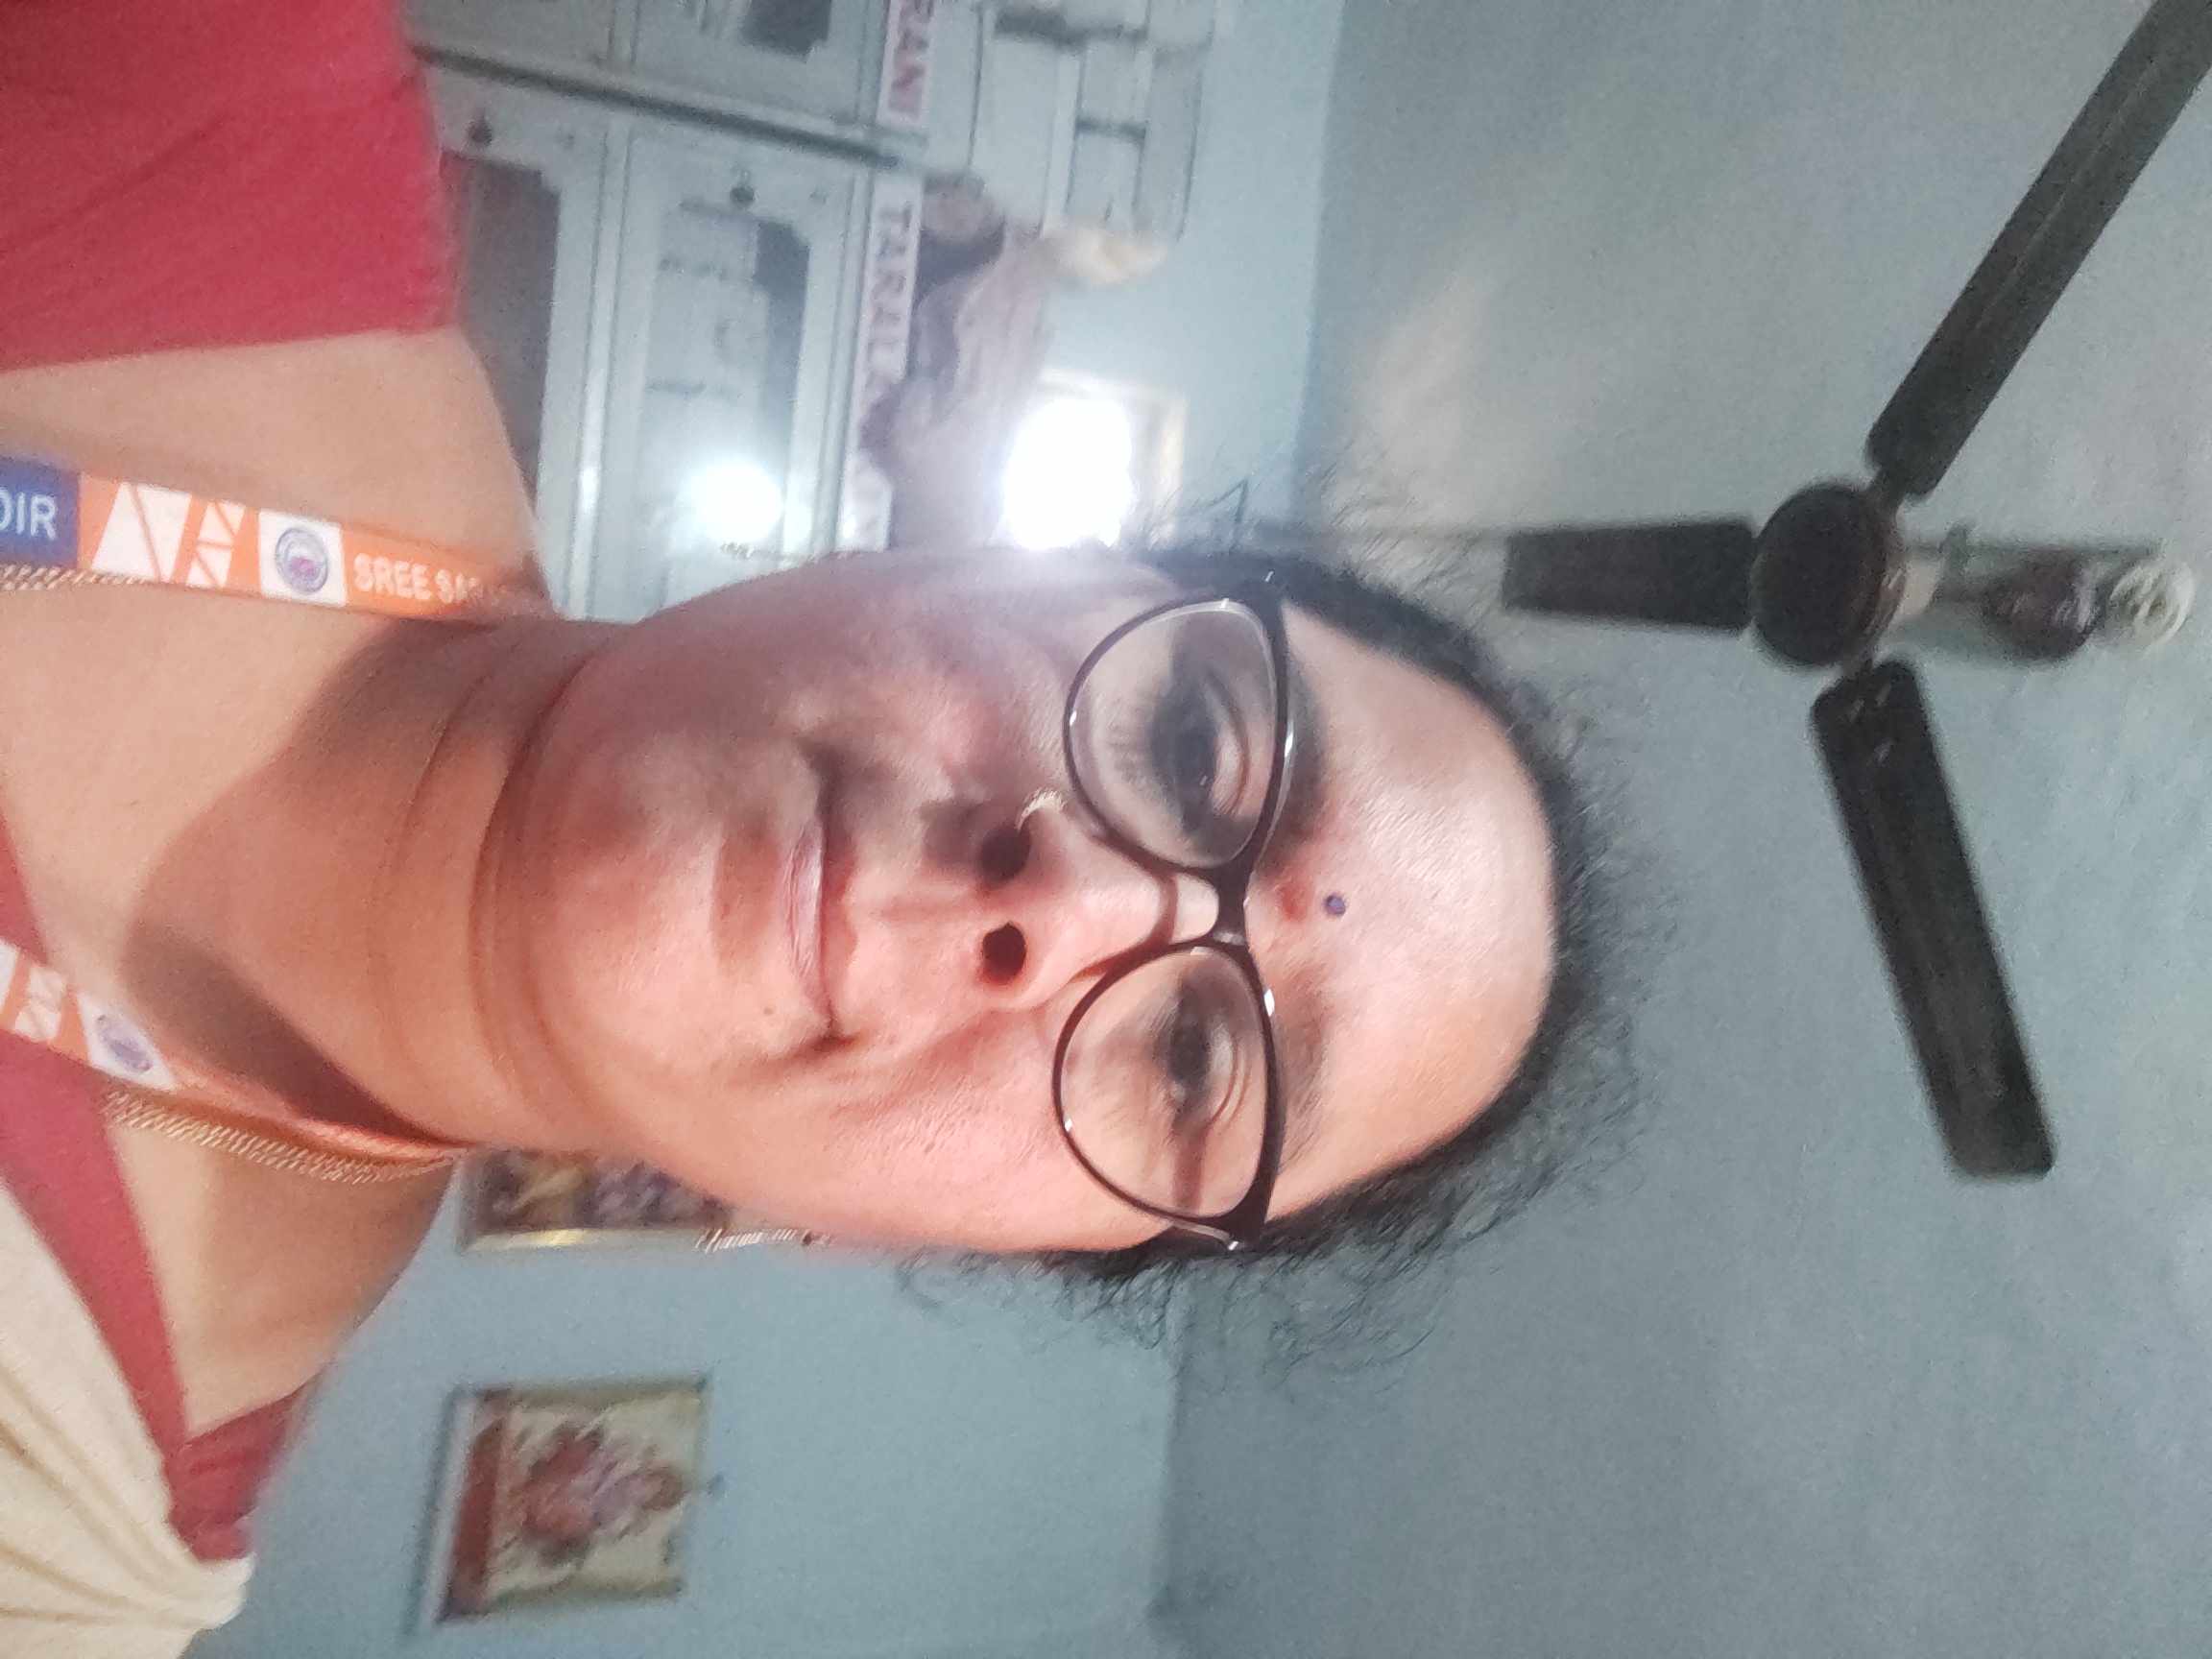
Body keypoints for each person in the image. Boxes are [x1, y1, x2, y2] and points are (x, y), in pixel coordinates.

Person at [0, 0, 1584, 1650]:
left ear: (935, 1240)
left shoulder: (68, 1560)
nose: (1071, 903)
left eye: (1191, 1063)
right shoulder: (224, 89)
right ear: (1008, 553)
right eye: (1192, 743)